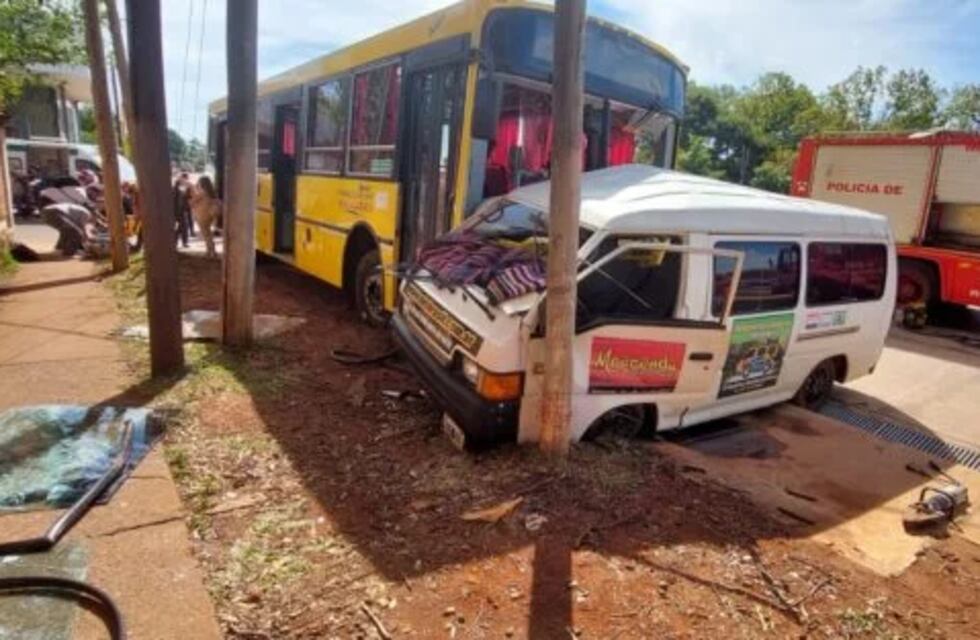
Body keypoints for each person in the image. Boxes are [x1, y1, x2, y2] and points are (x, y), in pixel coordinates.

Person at [189, 176, 221, 258]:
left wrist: (193, 193)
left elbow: (191, 202)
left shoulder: (202, 193)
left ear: (202, 184)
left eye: (199, 182)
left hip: (201, 215)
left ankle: (210, 251)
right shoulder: (212, 192)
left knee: (206, 234)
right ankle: (212, 251)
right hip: (209, 215)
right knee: (208, 233)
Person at [172, 172, 194, 248]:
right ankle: (175, 242)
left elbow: (189, 197)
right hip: (176, 211)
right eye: (184, 179)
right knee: (178, 227)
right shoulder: (176, 187)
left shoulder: (186, 187)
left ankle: (184, 242)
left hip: (183, 210)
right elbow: (174, 199)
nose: (186, 180)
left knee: (184, 227)